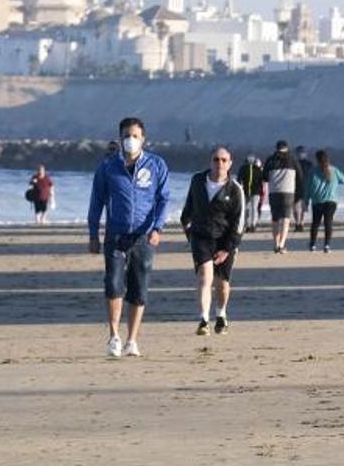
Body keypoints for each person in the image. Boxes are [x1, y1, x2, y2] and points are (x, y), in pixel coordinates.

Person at [88, 116, 171, 358]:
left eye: (135, 136)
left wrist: (158, 228)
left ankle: (132, 339)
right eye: (126, 136)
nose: (130, 140)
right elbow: (97, 202)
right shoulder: (107, 167)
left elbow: (163, 198)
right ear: (120, 138)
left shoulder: (156, 165)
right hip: (115, 234)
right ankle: (114, 335)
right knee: (113, 283)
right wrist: (93, 233)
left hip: (144, 237)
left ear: (143, 138)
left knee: (139, 288)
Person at [180, 146, 245, 335]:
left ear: (230, 163)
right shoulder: (197, 181)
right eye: (216, 159)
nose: (220, 164)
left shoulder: (235, 189)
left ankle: (221, 314)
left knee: (222, 283)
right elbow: (188, 210)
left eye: (224, 160)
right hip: (201, 237)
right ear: (210, 162)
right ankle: (203, 320)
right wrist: (189, 231)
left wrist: (228, 248)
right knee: (204, 277)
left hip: (225, 240)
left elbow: (238, 222)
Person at [263, 141, 301, 254]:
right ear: (287, 148)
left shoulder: (270, 160)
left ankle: (275, 243)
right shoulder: (292, 159)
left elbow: (264, 177)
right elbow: (300, 176)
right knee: (285, 219)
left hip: (274, 192)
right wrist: (300, 193)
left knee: (275, 219)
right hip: (288, 191)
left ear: (276, 148)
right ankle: (282, 244)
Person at [306, 149, 344, 253]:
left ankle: (312, 245)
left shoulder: (312, 171)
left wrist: (305, 201)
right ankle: (327, 245)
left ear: (316, 159)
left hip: (317, 201)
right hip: (331, 201)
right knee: (328, 223)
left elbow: (307, 188)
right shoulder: (334, 170)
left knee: (315, 223)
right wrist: (335, 182)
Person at [238, 154, 264, 233]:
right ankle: (251, 224)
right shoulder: (257, 169)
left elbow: (239, 179)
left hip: (250, 191)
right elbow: (262, 180)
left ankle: (250, 224)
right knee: (252, 208)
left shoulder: (244, 168)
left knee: (249, 208)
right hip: (253, 191)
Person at [293, 145, 313, 233]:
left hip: (305, 187)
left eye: (302, 152)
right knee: (296, 207)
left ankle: (301, 223)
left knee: (303, 207)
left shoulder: (309, 164)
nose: (301, 154)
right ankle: (298, 223)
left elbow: (312, 176)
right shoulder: (293, 163)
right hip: (296, 187)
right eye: (299, 153)